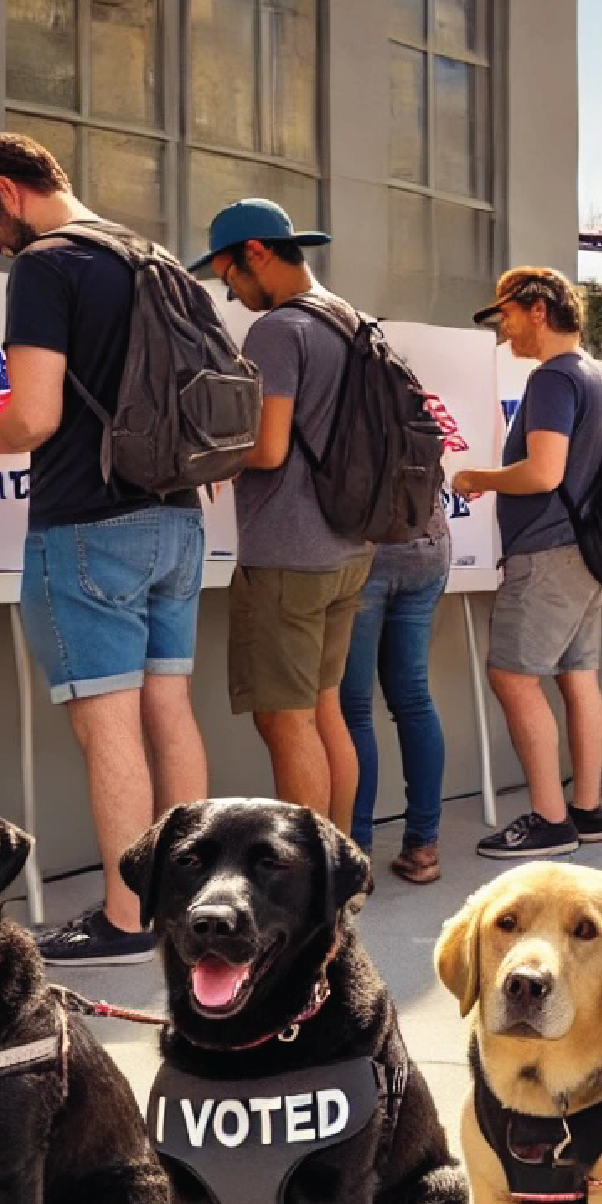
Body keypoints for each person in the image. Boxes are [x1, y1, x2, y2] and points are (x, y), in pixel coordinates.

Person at [0, 132, 206, 964]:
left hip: (88, 525)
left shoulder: (47, 265)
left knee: (111, 731)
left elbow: (35, 414)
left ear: (4, 190)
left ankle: (127, 921)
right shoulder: (154, 258)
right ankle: (189, 905)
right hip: (178, 519)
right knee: (169, 712)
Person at [191, 199, 372, 827]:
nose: (233, 295)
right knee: (326, 710)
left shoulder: (278, 330)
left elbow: (268, 447)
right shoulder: (352, 322)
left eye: (230, 276)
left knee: (285, 718)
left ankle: (310, 882)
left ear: (257, 252)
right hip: (348, 546)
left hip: (288, 552)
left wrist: (208, 454)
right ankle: (342, 864)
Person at [455, 266, 602, 858]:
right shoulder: (591, 375)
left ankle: (550, 821)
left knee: (513, 676)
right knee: (579, 677)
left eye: (507, 316)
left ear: (538, 308)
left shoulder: (551, 379)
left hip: (547, 552)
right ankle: (586, 810)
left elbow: (543, 472)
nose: (505, 332)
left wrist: (478, 477)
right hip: (585, 553)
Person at [338, 498, 450, 885]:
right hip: (427, 544)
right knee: (415, 700)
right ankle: (423, 848)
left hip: (366, 549)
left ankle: (356, 855)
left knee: (353, 709)